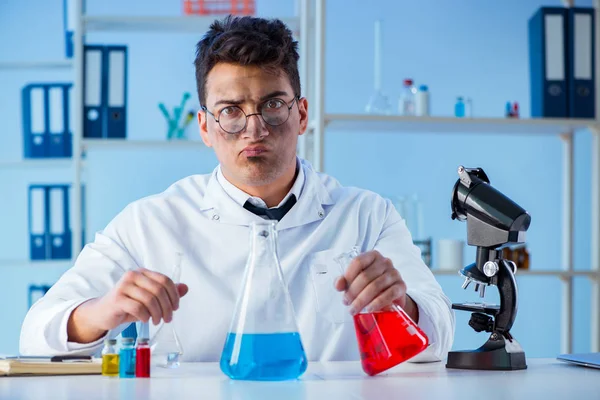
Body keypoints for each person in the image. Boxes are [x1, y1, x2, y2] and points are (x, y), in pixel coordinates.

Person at [20, 15, 455, 362]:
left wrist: (403, 305)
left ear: (301, 114)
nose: (254, 129)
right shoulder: (150, 222)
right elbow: (35, 335)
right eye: (231, 111)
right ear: (206, 127)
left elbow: (439, 335)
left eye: (272, 105)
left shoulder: (365, 215)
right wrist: (102, 312)